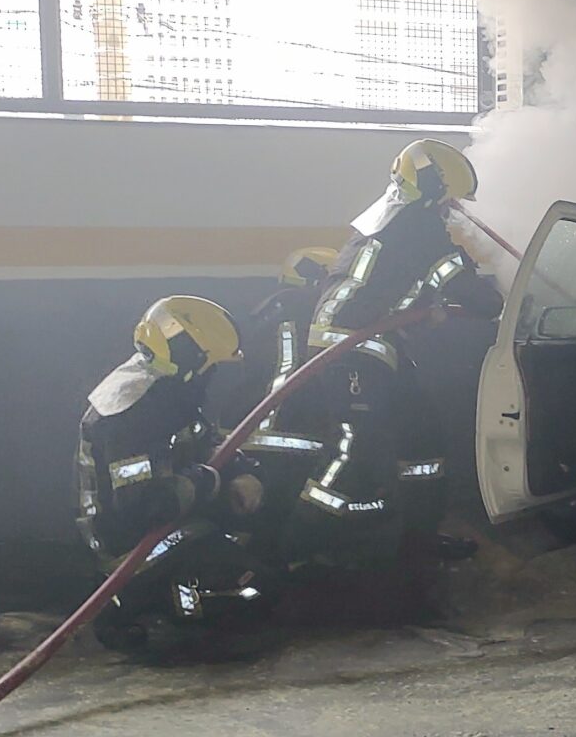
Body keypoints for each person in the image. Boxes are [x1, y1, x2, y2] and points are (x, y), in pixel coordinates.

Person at [287, 141, 504, 585]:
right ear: (431, 190)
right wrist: (493, 295)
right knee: (356, 448)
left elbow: (391, 281)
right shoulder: (419, 227)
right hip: (348, 346)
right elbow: (479, 298)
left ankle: (418, 536)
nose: (450, 208)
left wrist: (426, 305)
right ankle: (298, 543)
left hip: (375, 344)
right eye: (447, 198)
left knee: (423, 435)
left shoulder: (391, 220)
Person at [75, 294, 269, 653]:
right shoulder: (128, 412)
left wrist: (243, 473)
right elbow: (145, 507)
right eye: (212, 366)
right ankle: (134, 608)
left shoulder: (171, 393)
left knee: (270, 559)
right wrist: (210, 481)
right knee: (248, 593)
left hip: (182, 522)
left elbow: (206, 442)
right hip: (134, 551)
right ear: (192, 359)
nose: (213, 377)